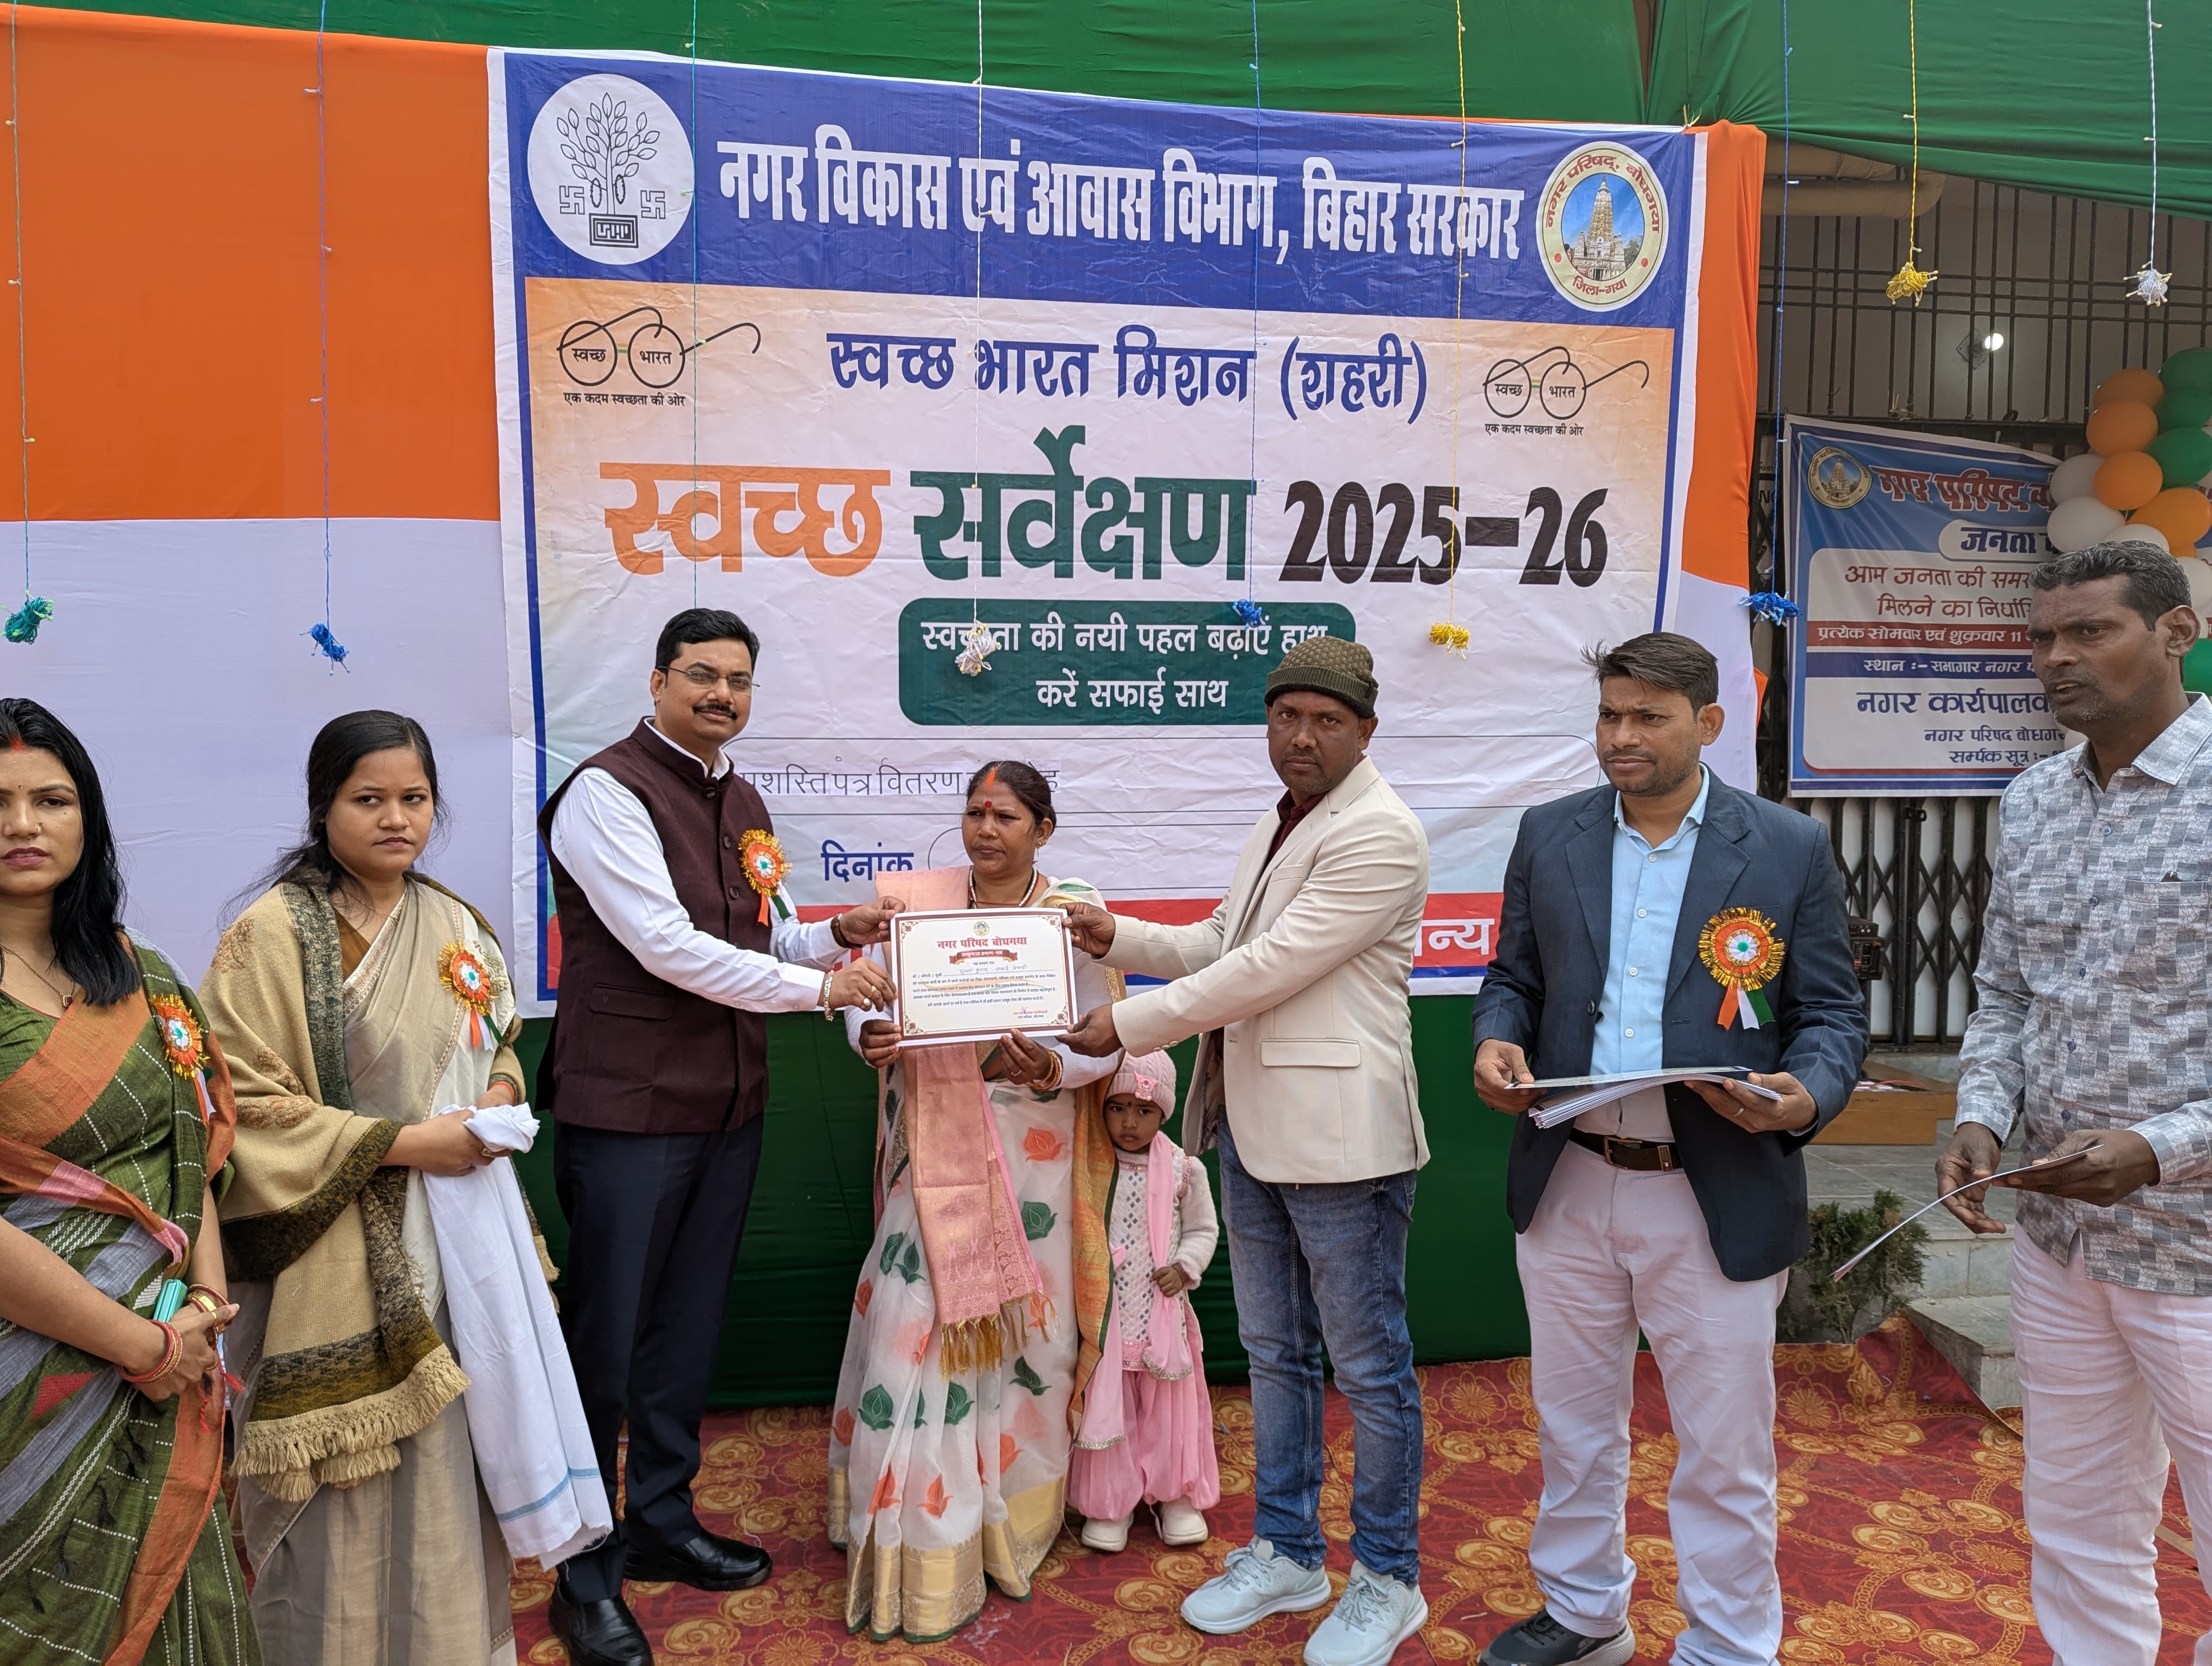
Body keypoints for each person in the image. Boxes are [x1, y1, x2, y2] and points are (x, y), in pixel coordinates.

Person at [1469, 632, 1865, 1666]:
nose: (1621, 735)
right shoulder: (1549, 832)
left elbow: (1830, 1014)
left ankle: (1729, 1645)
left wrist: (1805, 1094)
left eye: (1648, 716)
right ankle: (1584, 1613)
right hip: (1569, 1173)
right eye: (1610, 714)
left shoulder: (1785, 846)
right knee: (1571, 1422)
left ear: (1709, 723)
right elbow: (1513, 978)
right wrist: (1494, 1038)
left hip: (1712, 1184)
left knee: (1724, 1446)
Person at [1060, 636, 1433, 1666]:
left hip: (1344, 1142)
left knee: (1369, 1369)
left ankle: (1388, 1577)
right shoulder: (1282, 821)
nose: (1301, 736)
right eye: (1286, 716)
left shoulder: (1382, 831)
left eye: (1326, 720)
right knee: (1274, 1353)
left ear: (1366, 731)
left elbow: (1267, 967)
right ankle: (1289, 1552)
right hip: (1252, 1129)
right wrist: (1112, 936)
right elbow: (1220, 940)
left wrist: (1128, 1024)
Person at [539, 607, 899, 1665]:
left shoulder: (739, 796)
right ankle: (582, 1571)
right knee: (604, 1345)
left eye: (739, 681)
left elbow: (762, 932)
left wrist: (832, 937)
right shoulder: (606, 792)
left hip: (727, 1105)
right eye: (701, 675)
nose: (721, 696)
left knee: (685, 1333)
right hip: (628, 1111)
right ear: (657, 682)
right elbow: (666, 945)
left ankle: (659, 1519)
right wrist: (821, 988)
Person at [201, 710, 539, 1665]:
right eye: (369, 799)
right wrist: (402, 1143)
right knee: (345, 1494)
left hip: (459, 1236)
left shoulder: (456, 922)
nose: (397, 818)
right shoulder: (271, 934)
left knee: (447, 1471)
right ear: (324, 807)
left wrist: (501, 1093)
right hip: (331, 1248)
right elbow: (241, 1101)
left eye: (415, 798)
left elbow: (499, 1041)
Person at [1938, 541, 2212, 1666]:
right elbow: (2008, 989)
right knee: (2079, 1522)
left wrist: (2161, 1148)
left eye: (2090, 631)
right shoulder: (2034, 799)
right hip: (2060, 1242)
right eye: (2043, 637)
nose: (2056, 658)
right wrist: (1980, 1112)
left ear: (2178, 632)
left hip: (2198, 1250)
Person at [826, 761, 1122, 1643]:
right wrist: (868, 1033)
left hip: (1036, 1148)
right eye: (975, 812)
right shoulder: (916, 902)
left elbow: (1107, 1038)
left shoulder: (1072, 912)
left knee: (1032, 1333)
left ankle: (1015, 1511)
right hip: (936, 1142)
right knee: (916, 1318)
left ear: (1043, 829)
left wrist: (1059, 1065)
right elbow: (865, 993)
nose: (986, 828)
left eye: (1007, 816)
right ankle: (920, 1533)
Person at [0, 698, 259, 1665]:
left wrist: (204, 1310)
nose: (22, 824)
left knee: (181, 1609)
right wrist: (141, 1346)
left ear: (88, 818)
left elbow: (190, 1150)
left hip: (173, 1362)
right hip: (30, 1387)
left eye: (50, 800)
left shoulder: (138, 971)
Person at [1068, 1048, 1222, 1555]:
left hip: (1160, 1315)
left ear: (1164, 1112)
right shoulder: (1088, 1163)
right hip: (1106, 1315)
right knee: (1110, 1402)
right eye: (1117, 1108)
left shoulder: (1184, 1169)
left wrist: (1184, 1267)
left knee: (1165, 1409)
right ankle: (1110, 1503)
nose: (1130, 1123)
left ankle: (1174, 1497)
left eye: (1144, 1110)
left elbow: (1202, 1230)